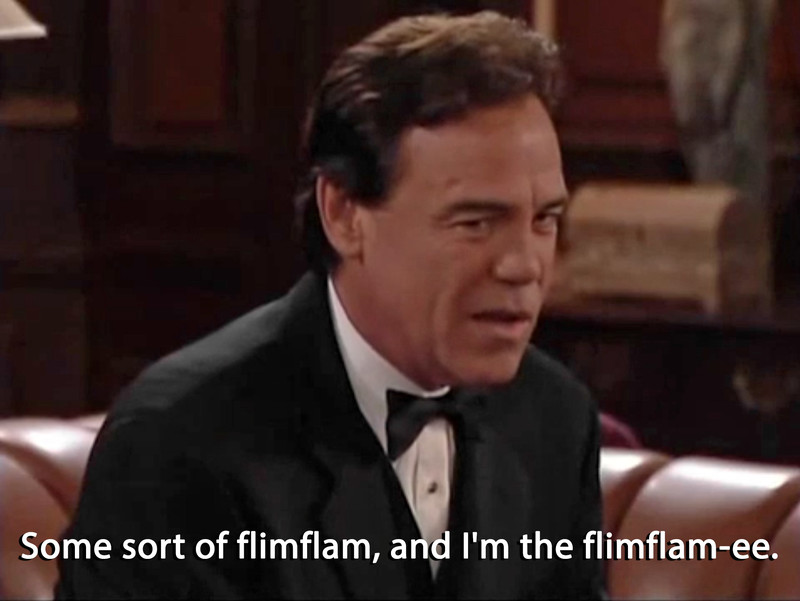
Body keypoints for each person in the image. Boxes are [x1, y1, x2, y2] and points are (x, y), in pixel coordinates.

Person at [57, 11, 604, 599]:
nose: (523, 265)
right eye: (475, 222)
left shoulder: (555, 419)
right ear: (343, 215)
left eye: (544, 220)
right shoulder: (179, 444)